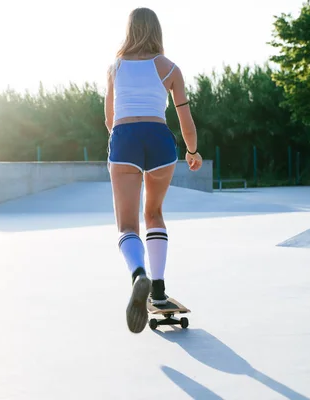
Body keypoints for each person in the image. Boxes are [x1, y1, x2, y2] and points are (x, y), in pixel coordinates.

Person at [104, 7, 203, 333]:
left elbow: (109, 120)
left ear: (129, 30)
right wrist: (192, 151)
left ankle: (138, 275)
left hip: (125, 139)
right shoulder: (170, 68)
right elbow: (185, 120)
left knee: (126, 225)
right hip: (160, 140)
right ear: (157, 31)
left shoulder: (115, 68)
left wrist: (122, 150)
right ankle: (158, 288)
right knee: (155, 213)